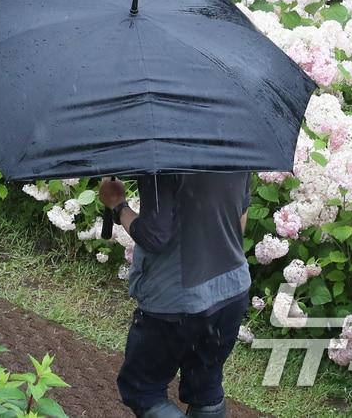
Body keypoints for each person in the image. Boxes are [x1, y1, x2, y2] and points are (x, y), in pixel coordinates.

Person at [98, 171, 252, 418]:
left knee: (142, 387)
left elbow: (154, 236)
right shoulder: (236, 146)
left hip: (176, 303)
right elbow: (240, 221)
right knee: (205, 384)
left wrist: (118, 206)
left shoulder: (161, 157)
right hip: (231, 292)